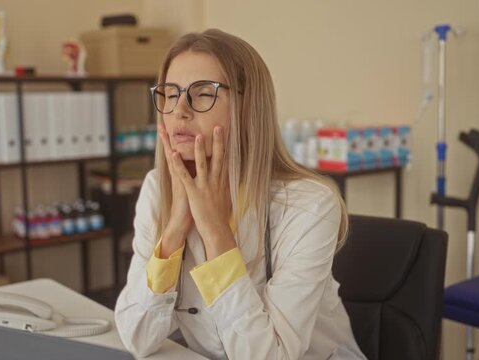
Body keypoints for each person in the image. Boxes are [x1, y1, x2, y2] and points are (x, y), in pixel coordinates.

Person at [114, 28, 366, 360]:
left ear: (248, 109)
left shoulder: (309, 205)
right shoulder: (156, 190)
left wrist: (215, 230)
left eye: (203, 93)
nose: (180, 110)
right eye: (171, 93)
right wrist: (175, 228)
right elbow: (137, 337)